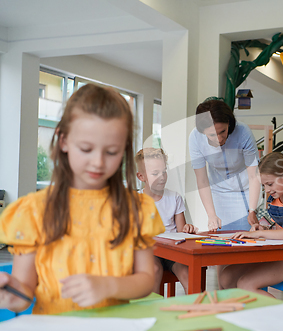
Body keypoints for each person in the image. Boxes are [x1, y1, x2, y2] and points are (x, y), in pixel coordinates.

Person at [0, 84, 165, 315]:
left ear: (124, 149)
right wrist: (9, 294)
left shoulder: (136, 208)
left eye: (111, 152)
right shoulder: (33, 211)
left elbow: (148, 279)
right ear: (63, 140)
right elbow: (24, 294)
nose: (98, 162)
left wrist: (109, 285)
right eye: (86, 149)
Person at [218, 152, 283, 297]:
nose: (267, 190)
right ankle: (252, 316)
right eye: (264, 185)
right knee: (226, 277)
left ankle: (280, 318)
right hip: (279, 252)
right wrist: (262, 227)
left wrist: (259, 233)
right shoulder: (276, 198)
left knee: (246, 284)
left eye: (269, 184)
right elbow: (275, 225)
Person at [189, 98, 260, 232]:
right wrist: (211, 215)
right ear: (203, 131)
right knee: (220, 234)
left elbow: (253, 175)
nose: (220, 139)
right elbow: (202, 180)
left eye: (223, 131)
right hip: (218, 190)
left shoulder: (243, 132)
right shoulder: (195, 138)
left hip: (245, 189)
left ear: (229, 123)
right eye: (212, 135)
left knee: (246, 234)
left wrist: (252, 210)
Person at [135, 147, 196, 294]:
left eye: (164, 171)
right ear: (141, 176)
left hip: (173, 253)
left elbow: (181, 231)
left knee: (188, 274)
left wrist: (188, 229)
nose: (162, 177)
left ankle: (195, 312)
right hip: (149, 253)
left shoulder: (175, 198)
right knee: (154, 270)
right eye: (155, 173)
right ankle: (155, 312)